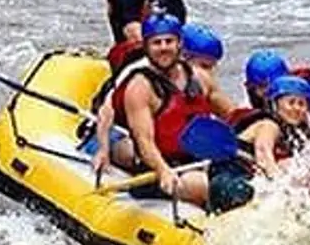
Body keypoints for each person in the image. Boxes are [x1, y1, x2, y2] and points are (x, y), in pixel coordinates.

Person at [104, 15, 244, 208]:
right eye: (156, 43)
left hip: (201, 160)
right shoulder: (139, 88)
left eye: (169, 41)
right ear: (146, 47)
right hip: (160, 171)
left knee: (244, 181)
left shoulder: (200, 78)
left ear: (179, 44)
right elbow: (144, 141)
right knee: (216, 187)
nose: (163, 48)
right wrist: (162, 170)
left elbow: (234, 116)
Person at [238, 74, 310, 177]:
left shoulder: (291, 134)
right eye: (291, 102)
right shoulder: (269, 125)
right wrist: (282, 187)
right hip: (228, 174)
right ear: (275, 104)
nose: (297, 108)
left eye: (301, 104)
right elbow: (263, 155)